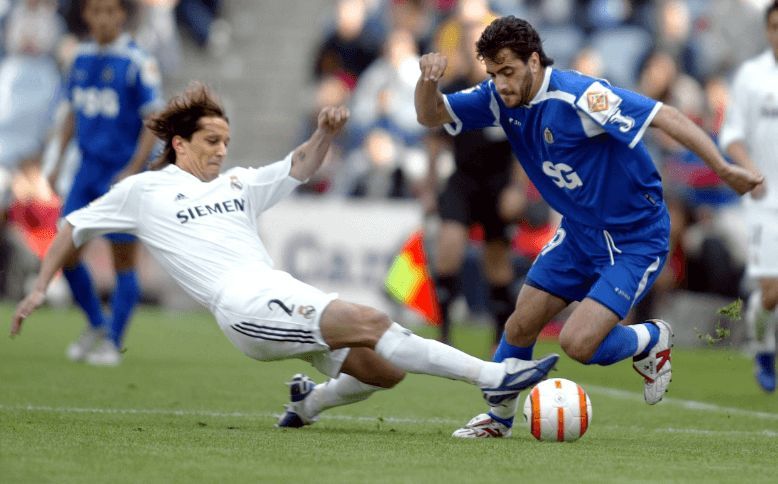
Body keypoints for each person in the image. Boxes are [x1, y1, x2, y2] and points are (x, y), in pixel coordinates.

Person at [10, 83, 559, 431]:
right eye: (211, 141)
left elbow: (296, 166)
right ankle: (494, 376)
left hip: (273, 289)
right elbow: (74, 226)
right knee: (374, 320)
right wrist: (39, 285)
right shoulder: (143, 191)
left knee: (385, 370)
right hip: (241, 304)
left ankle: (308, 404)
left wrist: (322, 133)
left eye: (226, 141)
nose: (222, 151)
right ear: (179, 143)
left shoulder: (239, 183)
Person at [414, 15, 763, 438]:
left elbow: (663, 115)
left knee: (578, 345)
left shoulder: (579, 97)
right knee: (520, 324)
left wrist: (722, 166)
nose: (500, 83)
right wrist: (429, 82)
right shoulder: (496, 98)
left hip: (636, 236)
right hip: (580, 232)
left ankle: (650, 338)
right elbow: (431, 115)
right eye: (493, 73)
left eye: (508, 71)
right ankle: (499, 419)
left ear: (534, 61)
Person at [48, 0, 164, 366]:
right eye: (95, 11)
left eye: (109, 11)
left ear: (121, 15)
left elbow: (152, 119)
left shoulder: (137, 61)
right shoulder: (79, 58)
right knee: (65, 254)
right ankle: (97, 324)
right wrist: (55, 160)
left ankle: (113, 342)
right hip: (86, 171)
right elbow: (72, 113)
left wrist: (134, 167)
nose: (101, 18)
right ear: (86, 15)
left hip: (120, 174)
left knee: (123, 260)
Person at [719, 0, 778, 393]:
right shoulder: (752, 77)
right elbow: (731, 135)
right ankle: (764, 349)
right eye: (774, 27)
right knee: (771, 290)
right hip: (765, 199)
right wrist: (749, 171)